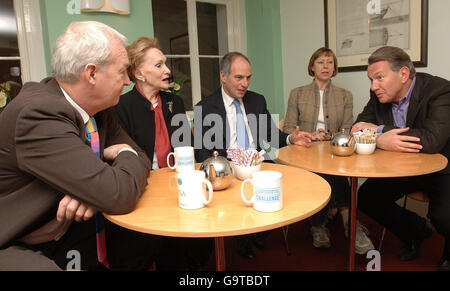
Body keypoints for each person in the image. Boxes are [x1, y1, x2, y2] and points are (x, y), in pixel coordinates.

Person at [0, 21, 162, 271]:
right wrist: (101, 188)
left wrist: (104, 179)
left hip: (68, 227)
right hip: (17, 239)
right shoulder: (39, 113)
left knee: (149, 242)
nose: (128, 81)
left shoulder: (97, 109)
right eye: (122, 72)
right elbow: (118, 194)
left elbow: (138, 157)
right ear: (91, 73)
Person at [194, 52, 312, 260]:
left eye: (248, 77)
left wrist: (291, 139)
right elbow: (202, 152)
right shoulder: (205, 107)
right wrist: (228, 164)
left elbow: (270, 135)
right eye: (238, 78)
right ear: (223, 76)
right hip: (228, 168)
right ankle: (240, 240)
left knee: (293, 193)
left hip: (259, 164)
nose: (245, 83)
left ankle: (256, 233)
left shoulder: (257, 101)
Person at [112, 36, 212, 270]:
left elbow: (186, 145)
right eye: (158, 65)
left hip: (176, 186)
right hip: (142, 191)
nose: (167, 70)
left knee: (184, 248)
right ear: (139, 73)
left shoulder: (174, 102)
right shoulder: (120, 107)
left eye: (165, 63)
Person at [351, 46, 450, 271]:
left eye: (379, 78)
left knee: (444, 217)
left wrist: (380, 132)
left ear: (404, 74)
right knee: (366, 199)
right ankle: (416, 230)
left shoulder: (440, 90)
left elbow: (432, 140)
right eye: (371, 79)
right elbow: (356, 127)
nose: (373, 86)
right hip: (402, 167)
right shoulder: (378, 95)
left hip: (442, 167)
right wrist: (380, 138)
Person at [283, 47, 374, 254]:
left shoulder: (345, 96)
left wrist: (329, 136)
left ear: (334, 68)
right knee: (328, 176)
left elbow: (348, 129)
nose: (326, 66)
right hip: (305, 151)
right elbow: (288, 129)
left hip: (334, 151)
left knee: (332, 173)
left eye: (330, 62)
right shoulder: (297, 93)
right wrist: (311, 135)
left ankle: (319, 226)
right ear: (312, 67)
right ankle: (350, 223)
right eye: (321, 62)